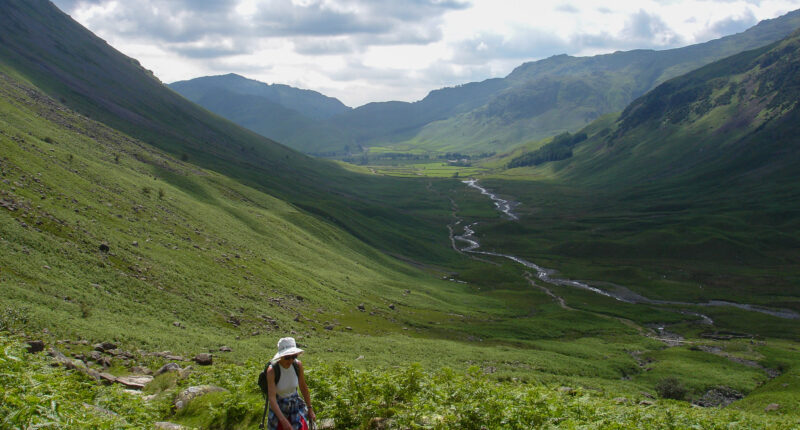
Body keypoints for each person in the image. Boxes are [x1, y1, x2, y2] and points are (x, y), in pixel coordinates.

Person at [267, 337, 316, 430]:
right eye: (287, 357)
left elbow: (303, 387)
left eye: (294, 356)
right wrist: (284, 421)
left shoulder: (297, 365)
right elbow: (272, 399)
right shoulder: (272, 371)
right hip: (279, 409)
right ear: (280, 356)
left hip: (295, 406)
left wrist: (310, 409)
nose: (290, 360)